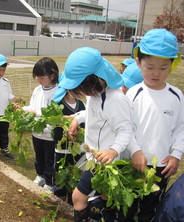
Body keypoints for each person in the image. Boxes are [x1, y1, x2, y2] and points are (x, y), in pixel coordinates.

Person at [52, 47, 134, 222]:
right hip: (94, 157)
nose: (81, 93)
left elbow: (125, 130)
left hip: (105, 160)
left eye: (81, 89)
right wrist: (76, 119)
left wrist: (113, 151)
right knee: (106, 196)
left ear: (93, 82)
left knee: (78, 197)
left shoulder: (115, 100)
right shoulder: (95, 95)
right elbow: (91, 113)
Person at [125, 28, 184, 221]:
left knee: (150, 209)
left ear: (172, 65)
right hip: (135, 162)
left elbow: (181, 128)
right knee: (128, 206)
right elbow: (126, 128)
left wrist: (176, 155)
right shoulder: (133, 94)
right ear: (138, 63)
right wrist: (135, 151)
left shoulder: (176, 96)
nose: (156, 73)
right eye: (150, 67)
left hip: (162, 166)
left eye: (163, 67)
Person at [22, 57, 59, 192]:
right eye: (38, 77)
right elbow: (32, 107)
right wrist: (22, 110)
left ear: (52, 75)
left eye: (42, 77)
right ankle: (40, 175)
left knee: (50, 160)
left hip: (50, 133)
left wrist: (35, 113)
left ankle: (50, 183)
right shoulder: (38, 90)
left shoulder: (58, 92)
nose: (39, 80)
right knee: (39, 157)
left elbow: (52, 114)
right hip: (37, 131)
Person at [52, 79, 86, 204]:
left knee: (75, 173)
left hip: (77, 148)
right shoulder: (58, 104)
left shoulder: (82, 105)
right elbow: (52, 120)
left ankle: (72, 199)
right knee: (60, 173)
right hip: (62, 147)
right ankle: (59, 197)